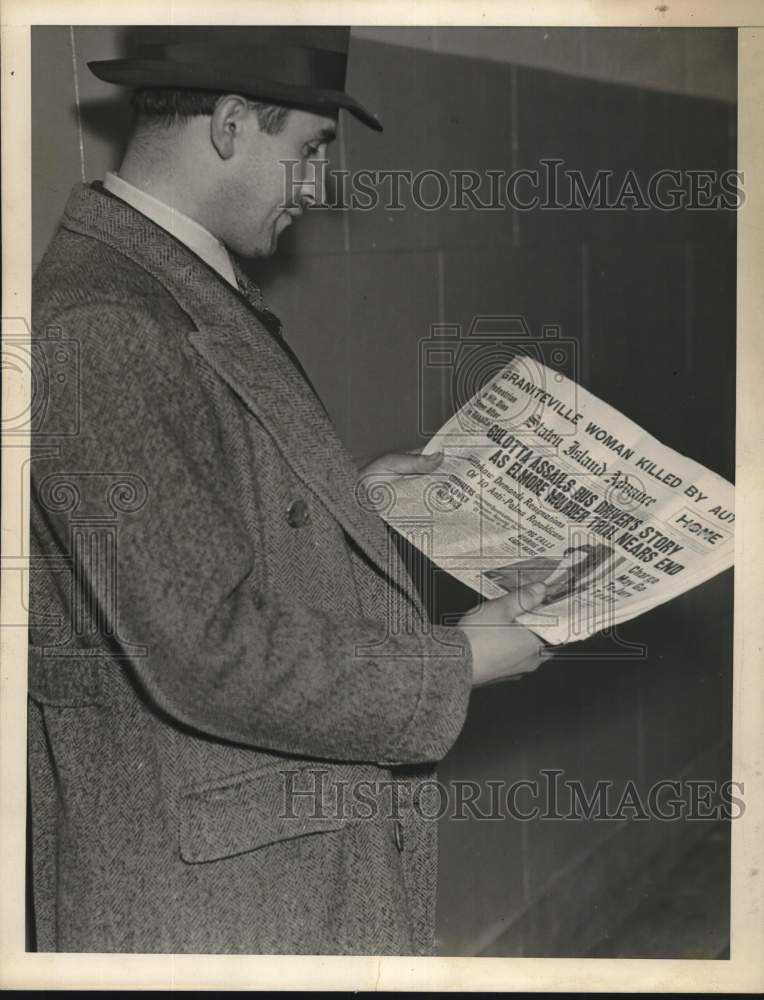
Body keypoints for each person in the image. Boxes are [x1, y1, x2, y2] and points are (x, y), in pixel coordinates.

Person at [27, 26, 548, 955]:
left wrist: (349, 497)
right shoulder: (108, 321)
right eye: (307, 153)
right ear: (230, 124)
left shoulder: (162, 281)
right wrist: (459, 662)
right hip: (209, 890)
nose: (315, 190)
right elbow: (205, 649)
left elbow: (187, 530)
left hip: (242, 859)